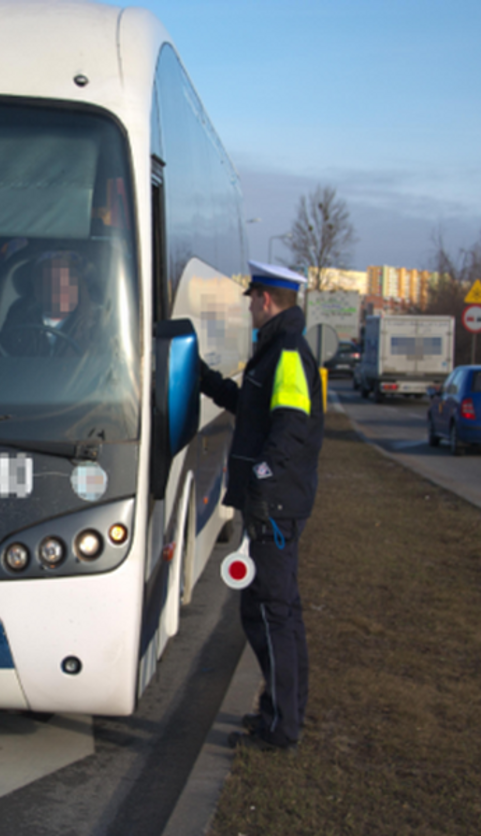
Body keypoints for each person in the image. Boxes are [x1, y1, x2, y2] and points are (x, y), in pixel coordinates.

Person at [200, 260, 324, 753]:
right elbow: (253, 408)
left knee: (271, 613)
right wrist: (203, 378)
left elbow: (291, 428)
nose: (248, 305)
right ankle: (283, 712)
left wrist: (261, 481)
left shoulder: (288, 351)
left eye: (252, 297)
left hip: (273, 507)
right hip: (274, 503)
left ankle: (282, 729)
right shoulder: (275, 349)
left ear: (267, 301)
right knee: (277, 611)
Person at [0, 250, 101, 356]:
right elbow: (1, 358)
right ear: (36, 288)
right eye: (48, 278)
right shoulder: (19, 318)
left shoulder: (97, 324)